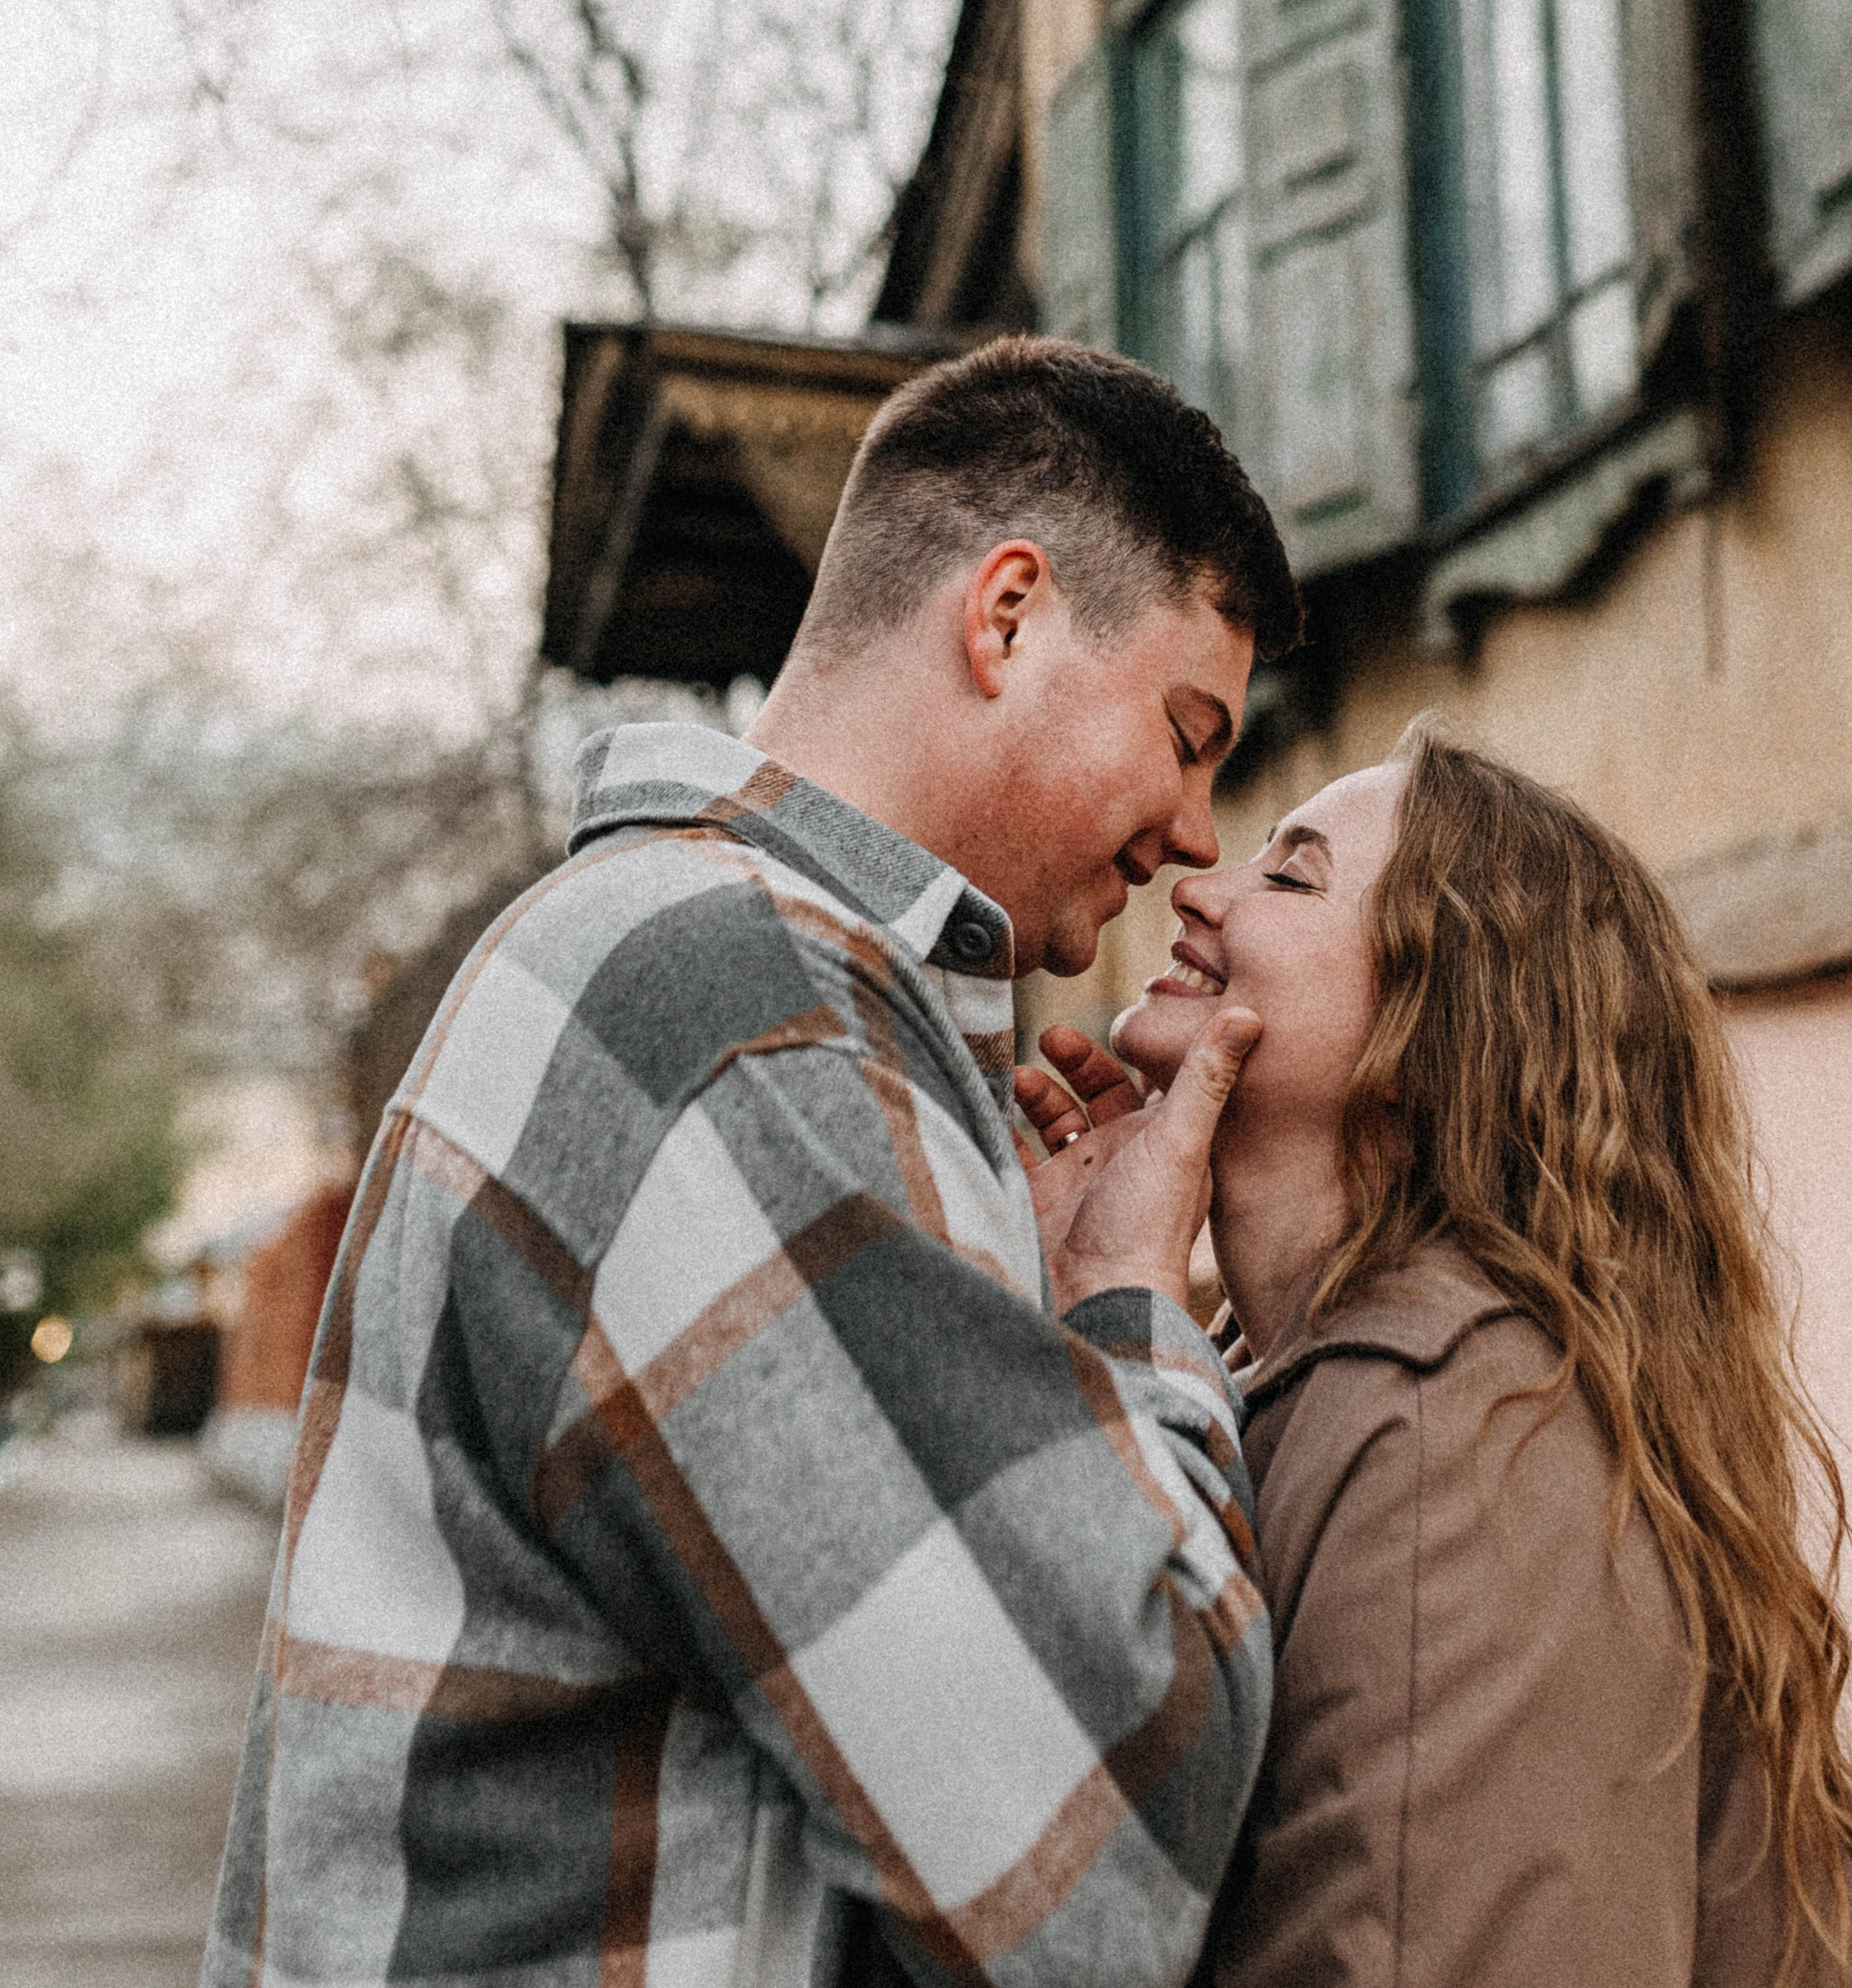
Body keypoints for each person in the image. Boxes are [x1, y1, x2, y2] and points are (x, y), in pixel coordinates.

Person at [204, 335, 1300, 1988]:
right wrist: (1127, 1304)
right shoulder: (741, 1012)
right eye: (1186, 728)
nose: (1197, 832)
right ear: (1004, 616)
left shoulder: (681, 955)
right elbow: (1098, 1842)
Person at [1015, 719, 1852, 1988]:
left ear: (1437, 1024)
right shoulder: (1294, 1383)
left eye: (1290, 876)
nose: (1201, 883)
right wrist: (1085, 1317)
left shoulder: (1449, 1416)